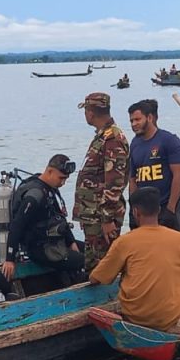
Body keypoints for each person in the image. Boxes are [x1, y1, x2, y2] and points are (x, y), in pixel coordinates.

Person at [89, 187, 180, 332]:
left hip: (134, 317)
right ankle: (171, 323)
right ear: (159, 210)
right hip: (166, 318)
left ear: (136, 212)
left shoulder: (124, 242)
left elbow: (95, 279)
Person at [3, 153, 84, 280]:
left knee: (92, 251)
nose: (63, 183)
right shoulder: (35, 195)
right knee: (85, 261)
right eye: (61, 178)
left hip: (55, 242)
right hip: (40, 249)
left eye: (66, 179)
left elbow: (60, 218)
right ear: (50, 171)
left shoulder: (49, 189)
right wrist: (9, 259)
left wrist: (71, 242)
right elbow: (17, 225)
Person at [73, 92, 129, 271]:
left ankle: (109, 297)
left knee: (102, 265)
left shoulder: (112, 139)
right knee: (93, 263)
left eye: (86, 111)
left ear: (90, 112)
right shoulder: (102, 136)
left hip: (101, 216)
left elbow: (114, 182)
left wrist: (106, 218)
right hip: (92, 214)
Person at [127, 99, 180, 230]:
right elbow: (132, 179)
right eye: (131, 121)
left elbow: (178, 175)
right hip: (143, 210)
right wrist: (133, 208)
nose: (134, 124)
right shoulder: (135, 144)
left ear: (149, 117)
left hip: (165, 205)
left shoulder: (168, 140)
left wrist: (171, 208)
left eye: (137, 119)